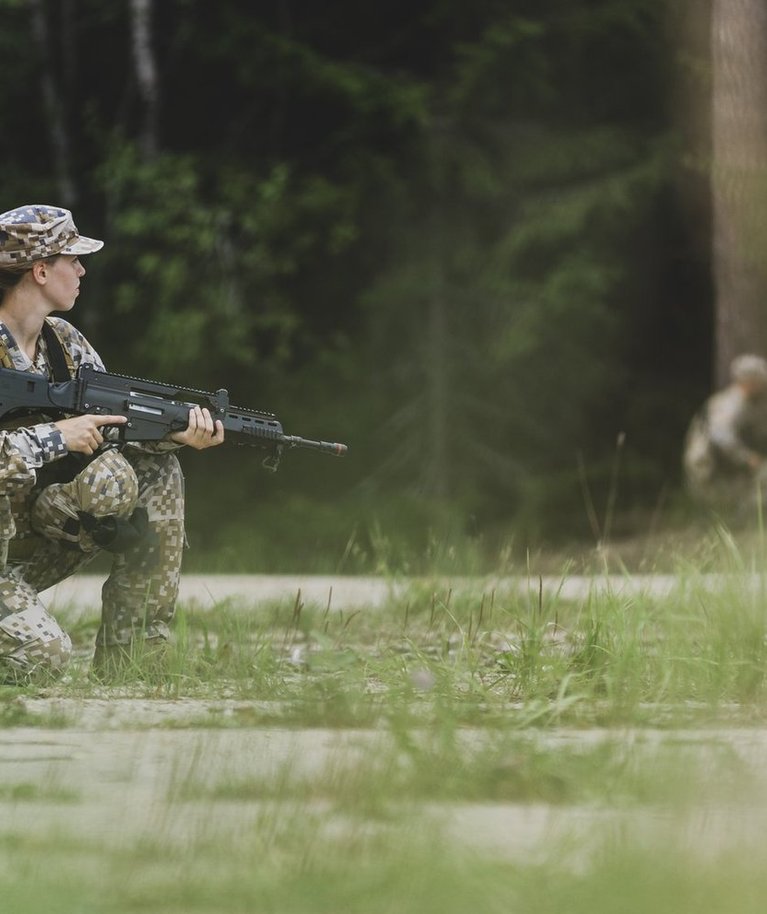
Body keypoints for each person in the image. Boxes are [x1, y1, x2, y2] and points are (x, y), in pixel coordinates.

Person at [0, 204, 224, 683]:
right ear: (40, 270)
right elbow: (58, 436)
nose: (82, 270)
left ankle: (135, 656)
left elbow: (110, 427)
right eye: (72, 259)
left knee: (155, 473)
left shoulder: (63, 343)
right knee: (42, 660)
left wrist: (173, 432)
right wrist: (55, 435)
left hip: (28, 539)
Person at [683, 353, 767, 519]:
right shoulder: (732, 403)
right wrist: (747, 458)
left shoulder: (750, 403)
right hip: (707, 465)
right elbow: (721, 437)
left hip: (721, 464)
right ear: (749, 381)